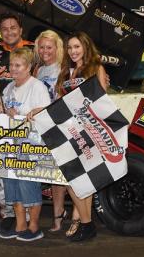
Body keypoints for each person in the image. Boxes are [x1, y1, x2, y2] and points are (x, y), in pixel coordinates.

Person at [56, 31, 108, 242]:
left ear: (86, 47)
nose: (73, 51)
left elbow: (102, 101)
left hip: (90, 130)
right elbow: (58, 102)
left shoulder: (96, 68)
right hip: (69, 131)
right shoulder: (65, 72)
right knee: (73, 179)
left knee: (84, 179)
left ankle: (86, 225)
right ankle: (86, 224)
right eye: (70, 48)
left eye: (77, 47)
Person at [0, 48, 51, 241]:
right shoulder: (8, 88)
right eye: (12, 65)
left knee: (28, 183)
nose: (14, 68)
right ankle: (20, 223)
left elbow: (47, 111)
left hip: (30, 145)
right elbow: (4, 113)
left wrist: (37, 111)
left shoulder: (37, 87)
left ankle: (34, 226)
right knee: (13, 184)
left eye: (18, 65)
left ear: (28, 67)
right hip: (11, 145)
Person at [34, 30, 69, 232]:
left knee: (66, 175)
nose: (45, 51)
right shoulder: (38, 70)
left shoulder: (63, 68)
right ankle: (58, 217)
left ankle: (75, 217)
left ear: (57, 48)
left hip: (62, 126)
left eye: (49, 47)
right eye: (42, 47)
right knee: (53, 175)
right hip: (45, 127)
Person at [0, 12, 34, 93]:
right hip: (0, 103)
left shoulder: (34, 50)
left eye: (13, 28)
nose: (9, 32)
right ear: (0, 33)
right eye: (5, 29)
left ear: (20, 30)